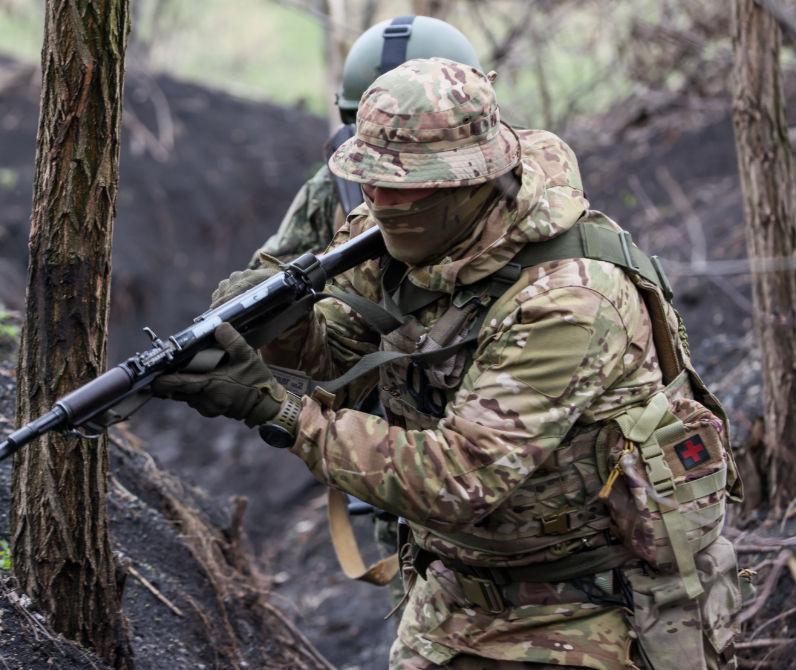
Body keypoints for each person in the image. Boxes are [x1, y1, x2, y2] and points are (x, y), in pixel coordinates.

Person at [156, 58, 746, 669]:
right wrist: (282, 327)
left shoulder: (568, 300)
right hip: (452, 594)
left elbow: (459, 478)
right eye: (368, 179)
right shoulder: (400, 228)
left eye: (399, 183)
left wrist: (276, 410)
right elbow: (337, 354)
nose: (376, 201)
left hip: (589, 610)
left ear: (469, 181)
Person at [247, 15, 485, 609]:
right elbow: (277, 291)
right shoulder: (333, 189)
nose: (384, 187)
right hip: (382, 422)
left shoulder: (508, 190)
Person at [250, 15, 482, 268]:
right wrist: (319, 271)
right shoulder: (332, 188)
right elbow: (263, 271)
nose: (381, 199)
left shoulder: (511, 175)